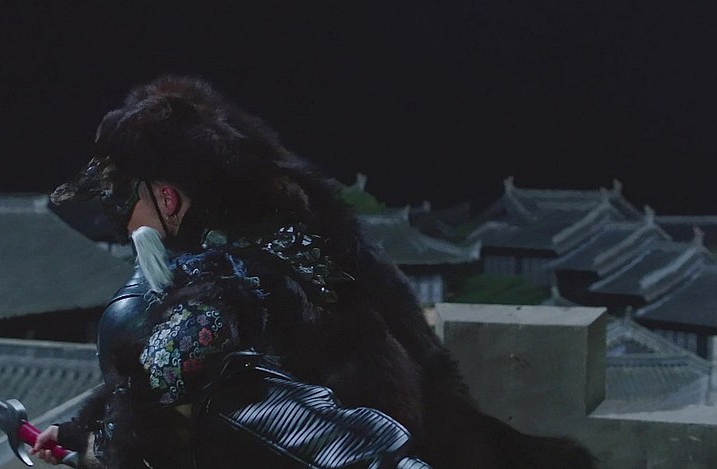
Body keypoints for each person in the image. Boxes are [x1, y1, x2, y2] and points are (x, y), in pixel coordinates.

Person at [32, 74, 596, 468]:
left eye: (125, 203)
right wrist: (82, 428)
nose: (123, 224)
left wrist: (94, 440)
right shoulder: (297, 218)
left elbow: (163, 379)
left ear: (167, 198)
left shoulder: (232, 272)